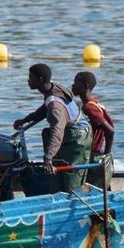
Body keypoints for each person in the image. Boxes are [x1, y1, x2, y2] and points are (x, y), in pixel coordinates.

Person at [14, 63, 92, 192]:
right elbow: (45, 108)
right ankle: (56, 185)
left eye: (31, 78)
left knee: (70, 175)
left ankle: (72, 194)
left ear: (40, 80)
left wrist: (48, 158)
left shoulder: (55, 106)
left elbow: (57, 131)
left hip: (78, 138)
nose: (28, 81)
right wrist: (25, 120)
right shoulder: (53, 88)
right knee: (47, 135)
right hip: (72, 131)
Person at [73, 71, 115, 157]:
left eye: (76, 83)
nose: (73, 86)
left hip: (90, 153)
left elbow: (110, 131)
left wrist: (107, 155)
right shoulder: (94, 102)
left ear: (85, 86)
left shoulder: (90, 107)